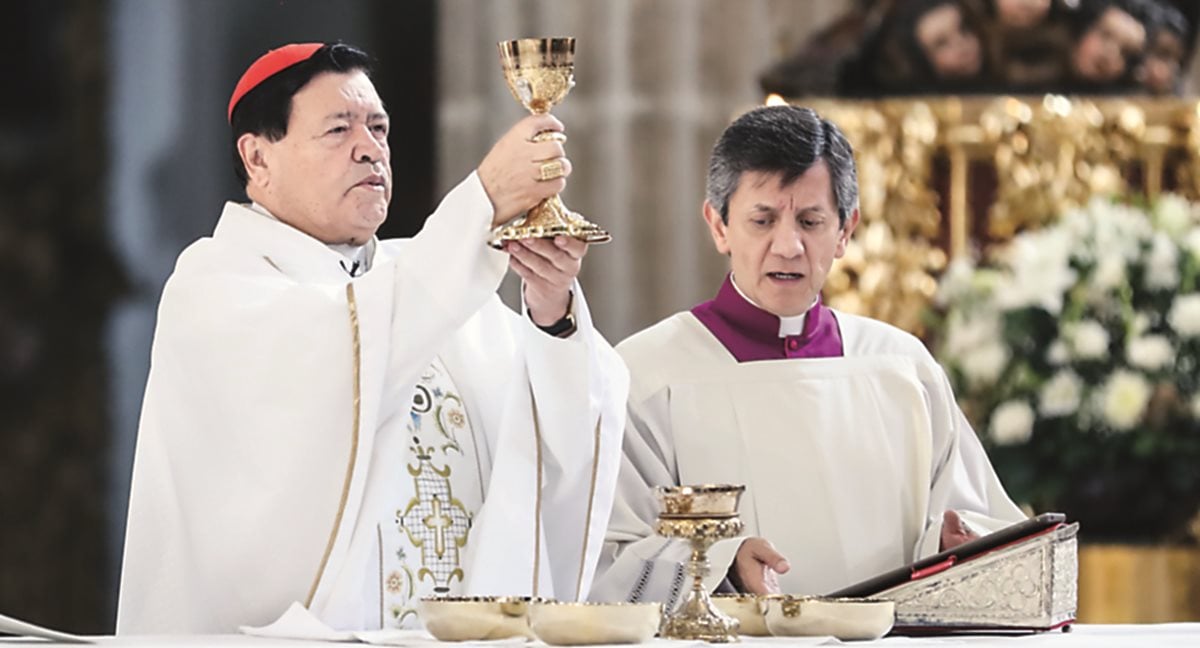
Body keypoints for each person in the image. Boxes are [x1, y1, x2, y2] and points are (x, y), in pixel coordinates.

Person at [117, 42, 628, 634]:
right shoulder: (215, 286)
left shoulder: (427, 283)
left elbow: (555, 433)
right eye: (338, 129)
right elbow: (346, 350)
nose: (370, 148)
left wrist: (551, 314)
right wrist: (483, 198)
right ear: (258, 158)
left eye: (378, 127)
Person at [588, 105, 1025, 607]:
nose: (789, 246)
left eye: (811, 221)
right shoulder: (648, 374)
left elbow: (984, 528)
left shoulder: (902, 367)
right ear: (719, 225)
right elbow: (606, 562)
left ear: (845, 231)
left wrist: (953, 548)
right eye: (763, 219)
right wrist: (723, 563)